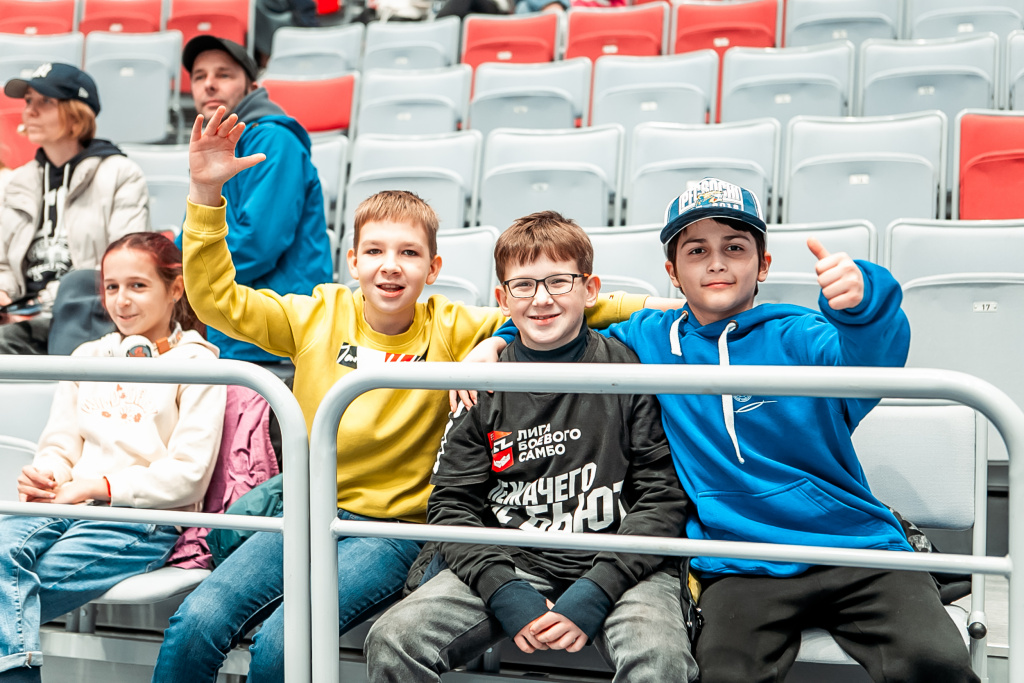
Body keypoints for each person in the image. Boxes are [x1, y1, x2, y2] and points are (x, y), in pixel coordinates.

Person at [151, 107, 675, 683]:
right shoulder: (314, 314)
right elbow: (216, 301)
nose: (390, 267)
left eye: (408, 253)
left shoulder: (454, 325)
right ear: (353, 260)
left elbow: (564, 303)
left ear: (433, 267)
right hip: (307, 512)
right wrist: (206, 194)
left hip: (393, 531)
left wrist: (676, 310)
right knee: (195, 622)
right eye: (375, 251)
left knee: (282, 644)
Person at [476, 177, 979, 683]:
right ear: (672, 273)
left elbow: (872, 356)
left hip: (852, 549)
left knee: (935, 663)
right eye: (697, 250)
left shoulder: (802, 336)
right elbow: (560, 323)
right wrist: (499, 339)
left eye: (734, 247)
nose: (716, 262)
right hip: (737, 563)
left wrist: (863, 303)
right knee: (724, 673)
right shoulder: (646, 339)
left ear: (763, 265)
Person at [364, 211, 696, 682]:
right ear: (502, 299)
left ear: (590, 289)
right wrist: (503, 589)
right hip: (511, 560)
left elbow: (663, 497)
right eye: (523, 285)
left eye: (559, 282)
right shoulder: (481, 382)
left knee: (659, 658)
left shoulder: (629, 370)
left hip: (620, 561)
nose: (541, 299)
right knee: (394, 638)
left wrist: (598, 589)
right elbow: (452, 505)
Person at [0, 232, 225, 683]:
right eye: (111, 287)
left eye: (138, 286)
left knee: (12, 589)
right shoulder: (87, 356)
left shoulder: (200, 365)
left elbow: (189, 475)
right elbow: (60, 445)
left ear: (175, 289)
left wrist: (99, 486)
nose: (121, 301)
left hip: (140, 519)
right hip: (65, 503)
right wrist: (46, 474)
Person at [178, 34, 332, 362]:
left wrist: (180, 273)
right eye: (199, 76)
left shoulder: (274, 140)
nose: (209, 84)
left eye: (223, 74)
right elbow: (194, 229)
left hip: (274, 337)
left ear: (251, 86)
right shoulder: (214, 147)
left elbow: (257, 243)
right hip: (231, 330)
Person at [0, 63, 151, 355]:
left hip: (90, 316)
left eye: (45, 101)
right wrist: (4, 294)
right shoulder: (16, 182)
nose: (29, 111)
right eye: (28, 101)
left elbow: (126, 264)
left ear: (76, 114)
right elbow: (3, 264)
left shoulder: (121, 174)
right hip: (21, 318)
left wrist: (38, 304)